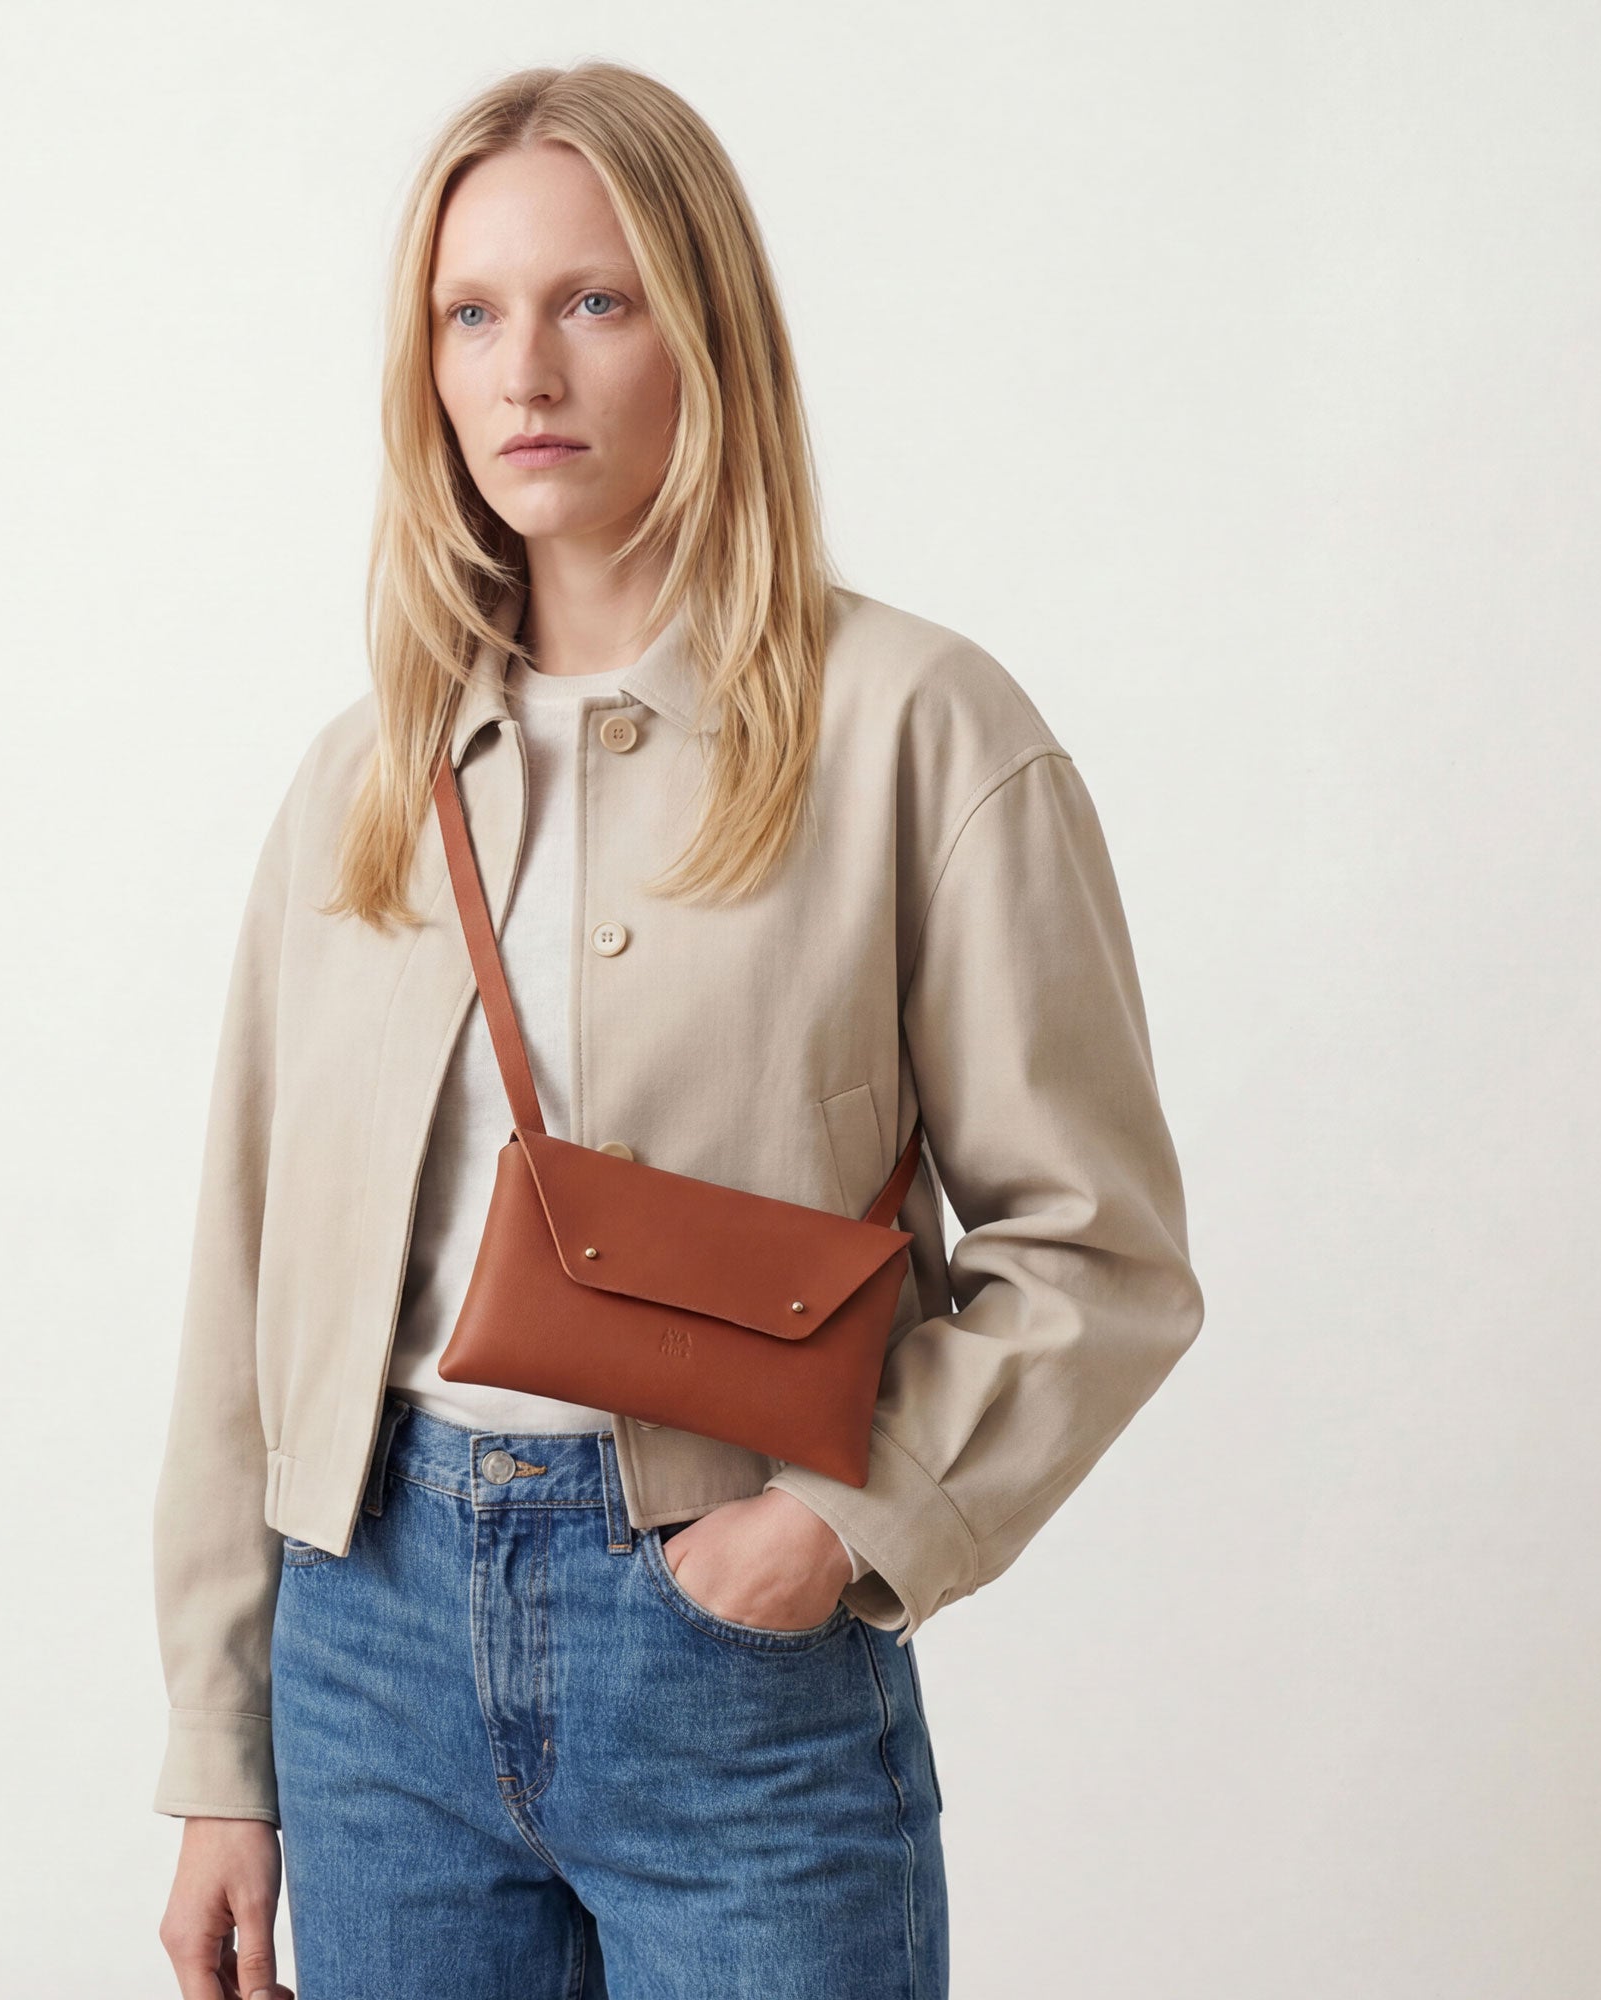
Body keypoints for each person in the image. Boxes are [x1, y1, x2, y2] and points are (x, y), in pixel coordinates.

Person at [151, 60, 1201, 2000]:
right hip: (367, 1653)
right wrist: (224, 1754)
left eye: (592, 300)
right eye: (470, 313)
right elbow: (249, 1284)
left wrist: (845, 1521)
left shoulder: (920, 729)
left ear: (702, 329)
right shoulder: (361, 783)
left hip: (730, 1654)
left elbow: (1102, 1252)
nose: (521, 371)